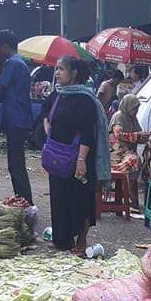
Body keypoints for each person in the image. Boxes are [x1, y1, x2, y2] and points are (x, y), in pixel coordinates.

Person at [42, 56, 110, 254]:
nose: (57, 73)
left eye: (61, 69)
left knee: (80, 200)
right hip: (58, 158)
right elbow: (45, 113)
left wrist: (81, 160)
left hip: (79, 158)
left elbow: (88, 133)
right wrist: (48, 126)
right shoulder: (57, 95)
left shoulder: (85, 100)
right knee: (59, 198)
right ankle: (62, 240)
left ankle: (81, 242)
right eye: (56, 69)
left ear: (74, 73)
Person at [0, 29, 33, 204]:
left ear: (4, 47)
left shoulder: (13, 63)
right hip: (20, 119)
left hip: (16, 119)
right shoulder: (19, 63)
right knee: (17, 162)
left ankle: (24, 200)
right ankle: (23, 199)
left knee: (15, 164)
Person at [110, 93, 149, 211]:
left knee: (139, 162)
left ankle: (131, 197)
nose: (136, 112)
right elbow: (119, 135)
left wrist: (144, 136)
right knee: (135, 161)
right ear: (127, 107)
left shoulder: (133, 119)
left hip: (127, 152)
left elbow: (138, 134)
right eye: (134, 109)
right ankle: (128, 195)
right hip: (117, 154)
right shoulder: (119, 117)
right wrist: (137, 136)